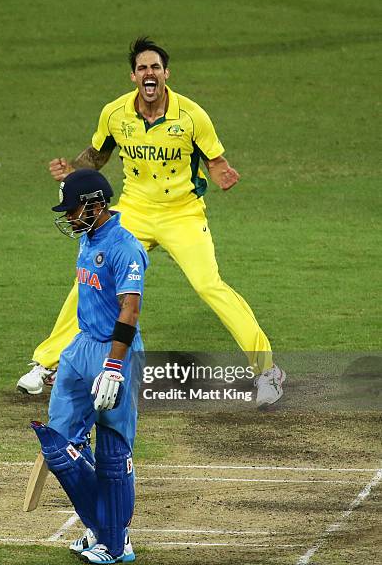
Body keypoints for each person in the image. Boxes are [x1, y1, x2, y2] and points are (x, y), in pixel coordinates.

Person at [18, 36, 285, 408]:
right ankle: (45, 364)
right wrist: (72, 170)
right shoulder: (115, 114)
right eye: (142, 67)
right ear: (133, 76)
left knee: (210, 286)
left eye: (155, 67)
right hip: (135, 211)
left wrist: (223, 172)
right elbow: (96, 156)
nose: (149, 73)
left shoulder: (192, 116)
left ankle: (267, 369)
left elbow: (215, 160)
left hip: (183, 213)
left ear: (165, 74)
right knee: (91, 275)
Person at [32, 168, 148, 565]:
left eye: (73, 208)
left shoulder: (125, 248)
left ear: (96, 205)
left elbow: (129, 311)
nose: (68, 216)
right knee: (59, 447)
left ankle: (116, 543)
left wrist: (114, 366)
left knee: (113, 451)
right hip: (80, 347)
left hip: (114, 352)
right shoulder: (87, 237)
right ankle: (104, 528)